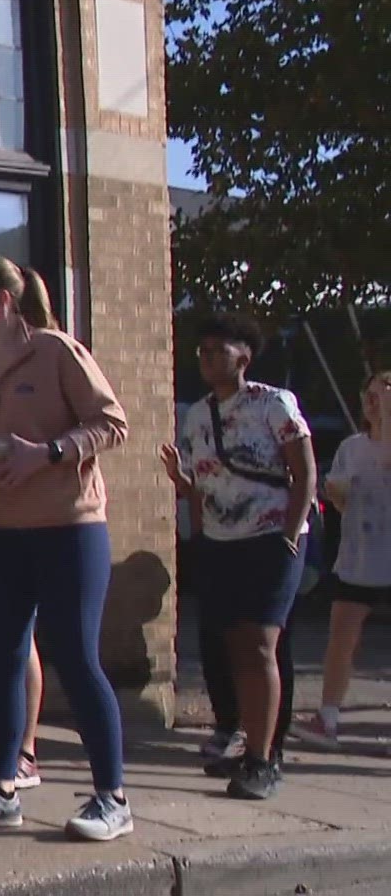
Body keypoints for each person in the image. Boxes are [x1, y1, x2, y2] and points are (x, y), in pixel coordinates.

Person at [0, 255, 134, 841]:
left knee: (75, 656)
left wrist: (46, 453)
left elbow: (112, 423)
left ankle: (112, 797)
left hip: (67, 528)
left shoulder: (56, 353)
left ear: (2, 302)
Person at [159, 313, 315, 800]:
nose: (206, 358)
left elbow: (303, 471)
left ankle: (264, 758)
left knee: (261, 643)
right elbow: (203, 484)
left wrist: (290, 532)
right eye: (201, 351)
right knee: (234, 648)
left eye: (217, 350)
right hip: (221, 541)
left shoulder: (272, 403)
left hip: (270, 538)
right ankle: (250, 744)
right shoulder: (198, 414)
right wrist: (190, 506)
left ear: (243, 357)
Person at [293, 371, 391, 749]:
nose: (375, 399)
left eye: (384, 391)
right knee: (342, 636)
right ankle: (328, 718)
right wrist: (336, 493)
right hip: (361, 558)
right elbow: (340, 497)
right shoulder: (352, 447)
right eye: (369, 393)